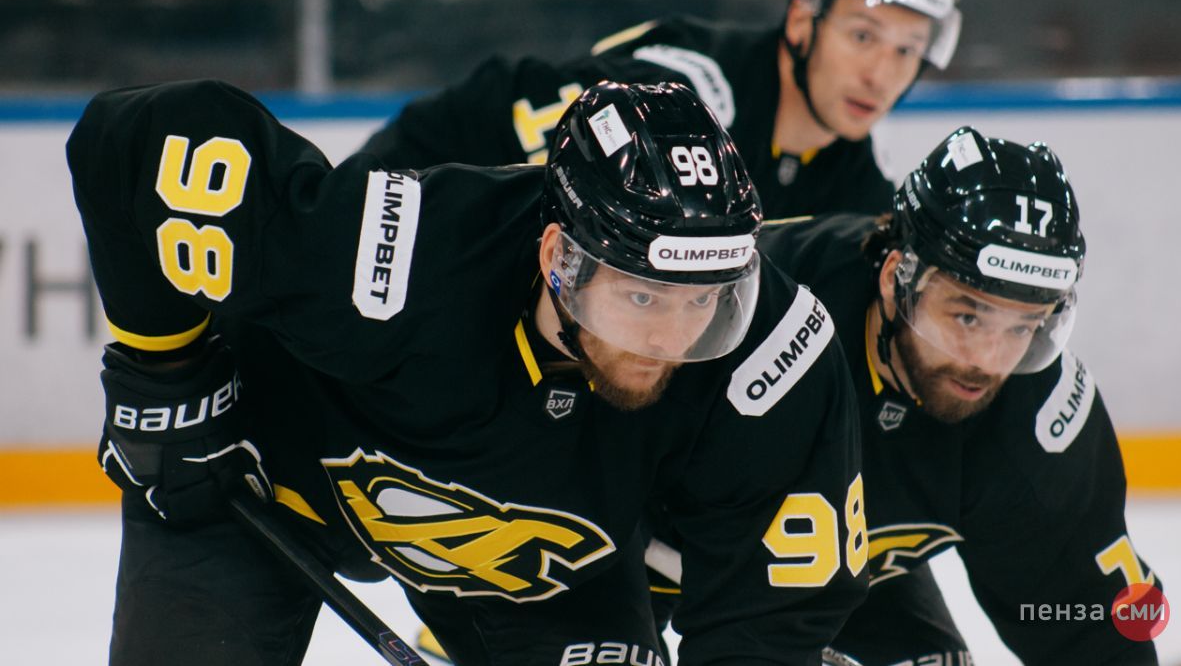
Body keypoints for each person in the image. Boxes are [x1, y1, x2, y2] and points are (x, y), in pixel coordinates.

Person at [67, 78, 869, 665]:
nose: (669, 337)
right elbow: (130, 137)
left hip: (538, 564)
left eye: (701, 302)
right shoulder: (398, 262)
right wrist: (165, 376)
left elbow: (766, 620)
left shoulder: (768, 356)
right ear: (559, 259)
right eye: (641, 296)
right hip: (262, 486)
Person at [650, 126, 1161, 664]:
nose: (988, 360)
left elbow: (1088, 626)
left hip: (844, 572)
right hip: (639, 550)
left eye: (1022, 327)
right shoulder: (750, 309)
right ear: (897, 278)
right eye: (967, 316)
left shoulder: (1038, 414)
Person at [359, 0, 962, 218]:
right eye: (863, 37)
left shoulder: (855, 182)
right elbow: (475, 122)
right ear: (803, 20)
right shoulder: (685, 93)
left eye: (908, 50)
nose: (881, 74)